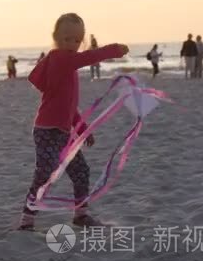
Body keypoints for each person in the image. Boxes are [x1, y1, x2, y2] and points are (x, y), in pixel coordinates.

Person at [17, 13, 128, 230]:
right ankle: (27, 220)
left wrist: (82, 129)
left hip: (64, 133)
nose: (72, 45)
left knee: (81, 171)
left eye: (77, 40)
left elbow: (69, 106)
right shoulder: (60, 58)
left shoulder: (68, 66)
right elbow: (88, 57)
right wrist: (114, 49)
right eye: (67, 39)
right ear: (56, 37)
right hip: (47, 131)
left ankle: (81, 216)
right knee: (45, 173)